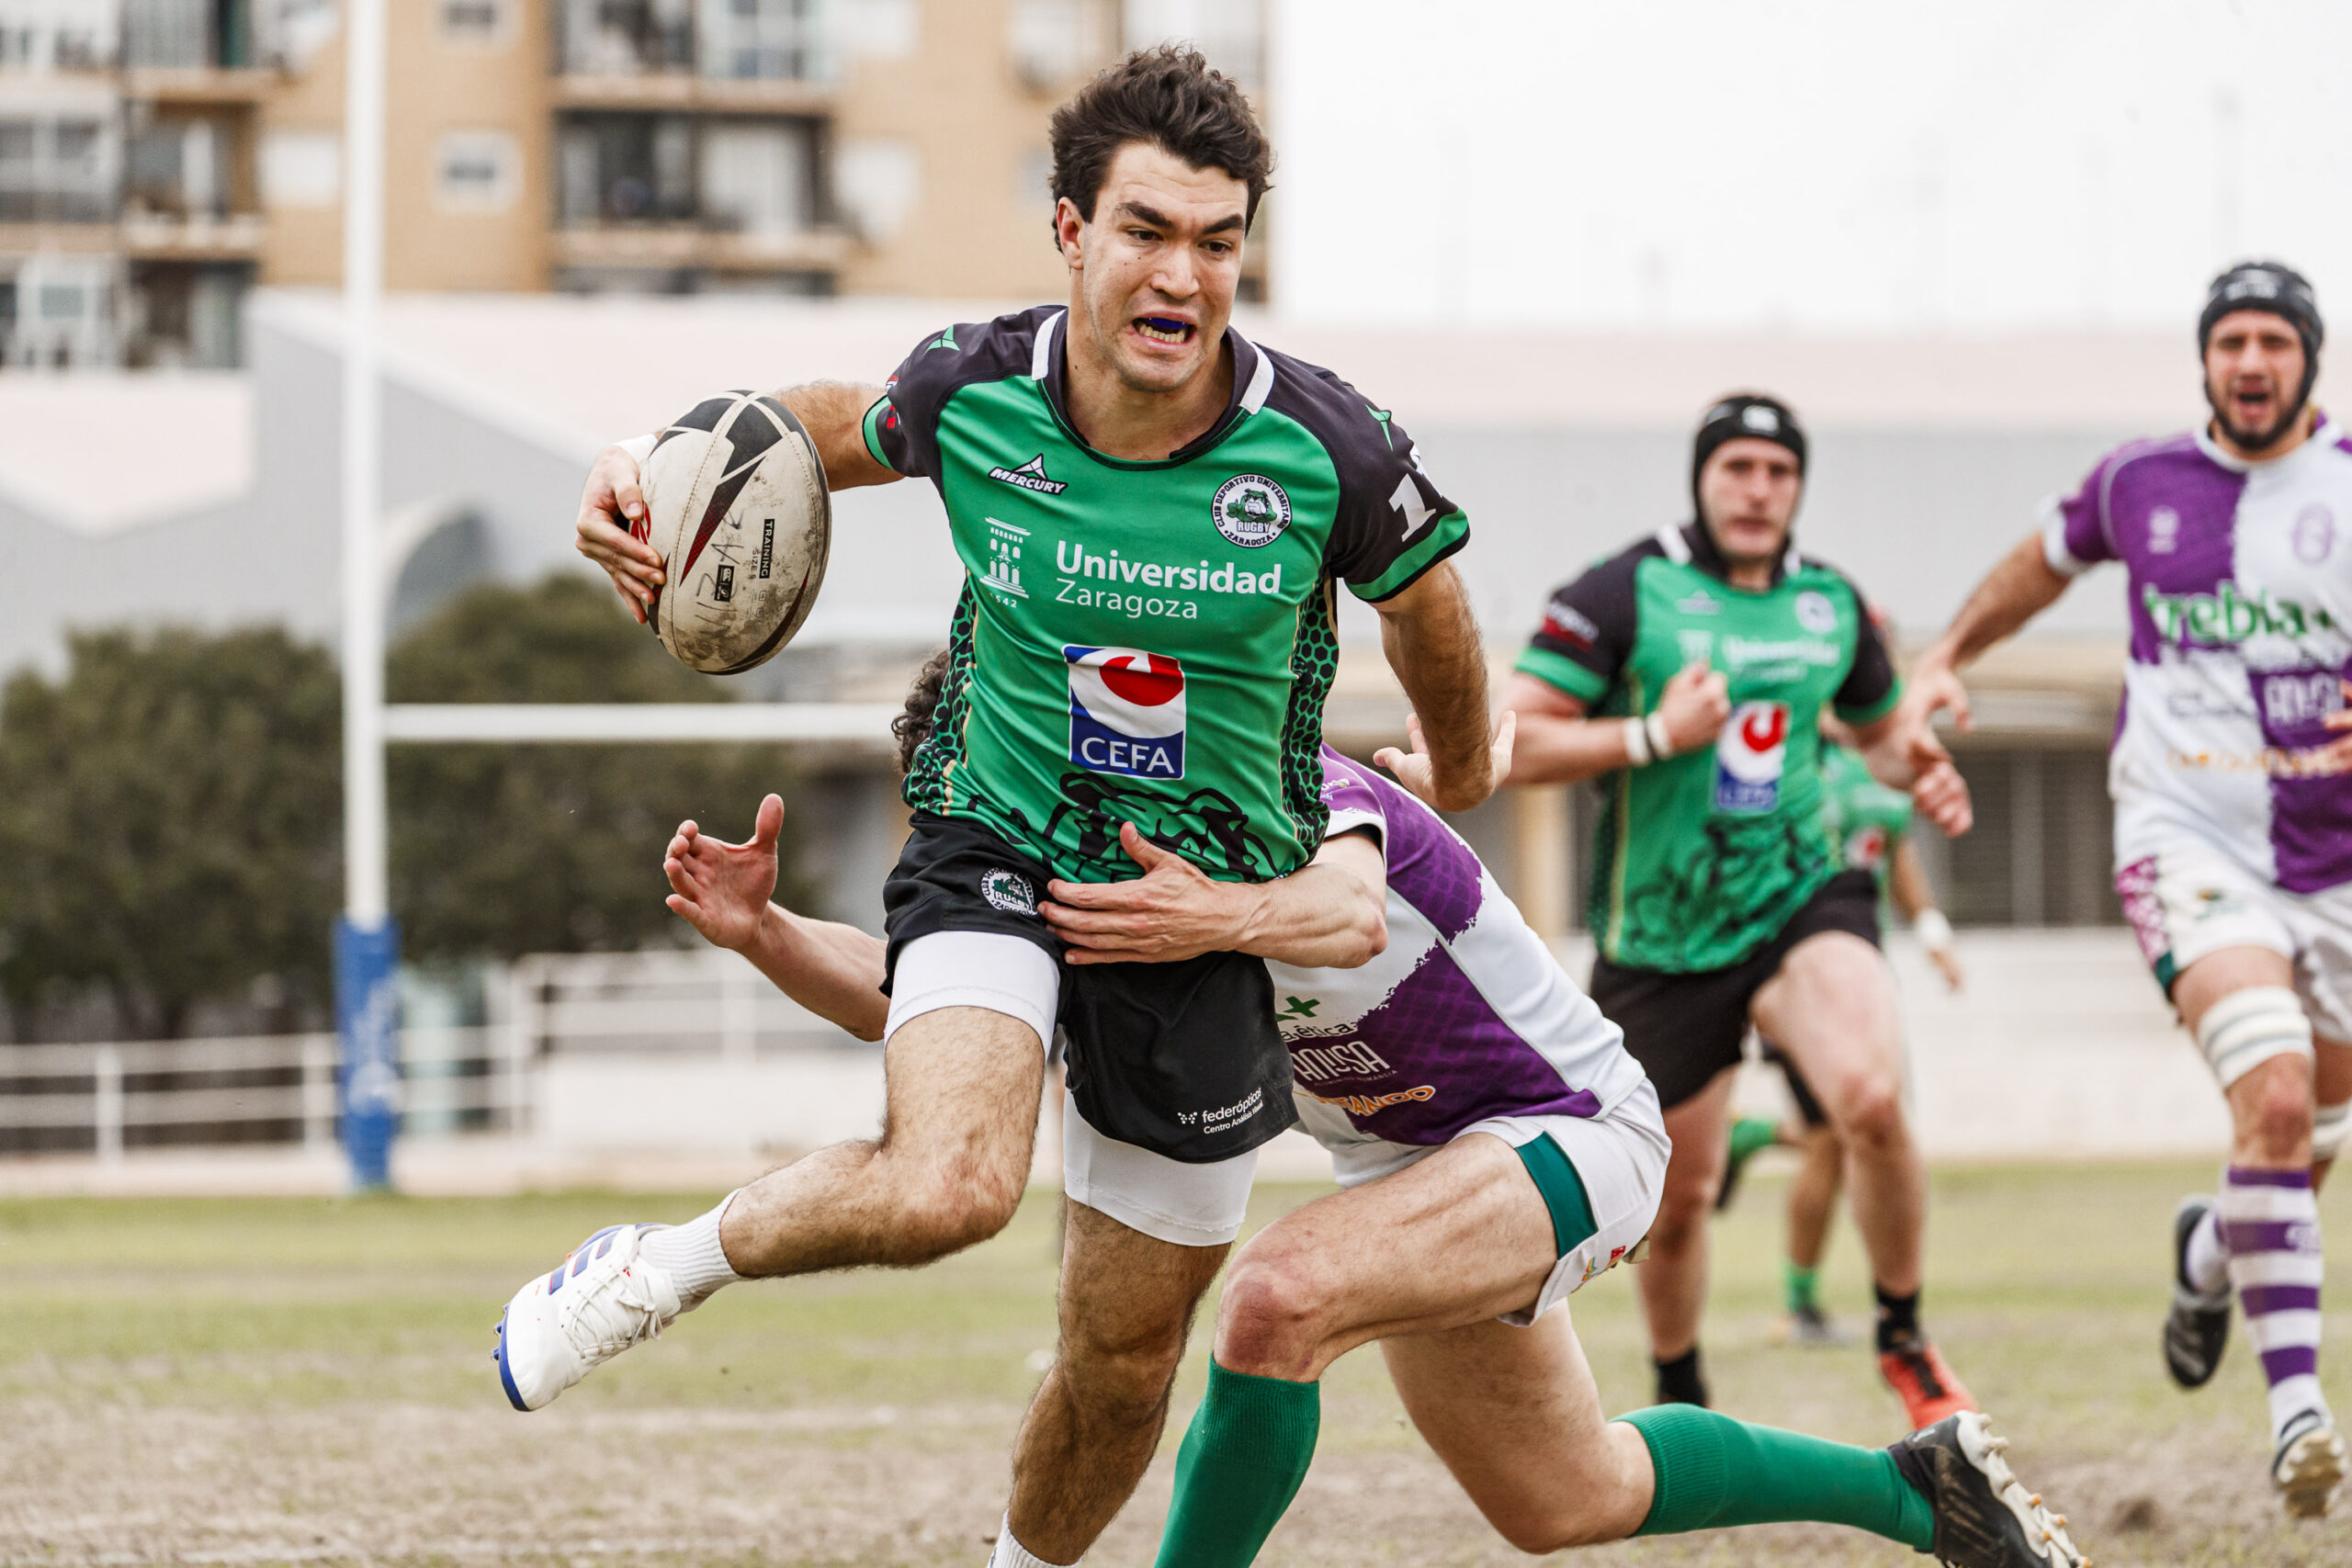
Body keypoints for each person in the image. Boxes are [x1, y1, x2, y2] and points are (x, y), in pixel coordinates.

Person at [496, 48, 1498, 1568]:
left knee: (1122, 1366)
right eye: (1147, 230)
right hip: (997, 834)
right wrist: (636, 462)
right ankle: (659, 1265)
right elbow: (804, 428)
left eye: (1217, 241)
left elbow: (1431, 608)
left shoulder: (1327, 447)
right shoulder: (975, 388)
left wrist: (1464, 767)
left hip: (1204, 910)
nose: (1183, 276)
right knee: (950, 1186)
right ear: (1071, 231)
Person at [651, 677, 2087, 1568]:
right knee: (1562, 1493)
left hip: (1572, 1127)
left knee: (1274, 1294)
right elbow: (929, 1003)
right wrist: (769, 930)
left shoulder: (1279, 795)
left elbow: (1345, 900)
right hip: (1417, 1167)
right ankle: (1921, 1490)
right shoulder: (1078, 880)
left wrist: (1223, 912)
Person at [1898, 259, 2351, 1519]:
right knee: (2273, 1093)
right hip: (2186, 835)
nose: (2250, 361)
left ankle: (2208, 1250)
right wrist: (1945, 655)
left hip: (2334, 862)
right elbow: (2039, 562)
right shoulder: (2138, 481)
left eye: (2273, 340)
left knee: (2304, 1137)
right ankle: (2300, 1416)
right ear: (2205, 358)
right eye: (2230, 340)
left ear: (2308, 359)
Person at [1499, 393, 1979, 1428]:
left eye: (1778, 471)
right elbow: (1508, 741)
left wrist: (1924, 765)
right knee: (1673, 1203)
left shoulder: (1829, 603)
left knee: (1871, 1098)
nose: (1758, 490)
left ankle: (1904, 1337)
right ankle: (1683, 1395)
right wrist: (1650, 736)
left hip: (1802, 892)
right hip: (1663, 934)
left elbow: (1880, 738)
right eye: (1738, 468)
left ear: (1799, 486)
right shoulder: (1624, 590)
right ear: (1702, 477)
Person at [1718, 732, 1966, 1348]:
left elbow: (1896, 852)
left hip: (1860, 977)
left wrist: (1932, 932)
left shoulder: (1887, 760)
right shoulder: (1793, 757)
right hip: (1797, 978)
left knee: (1860, 1130)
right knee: (1833, 1137)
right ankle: (1803, 1306)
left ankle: (1758, 1136)